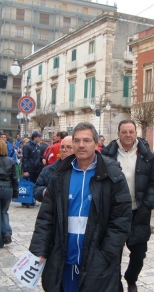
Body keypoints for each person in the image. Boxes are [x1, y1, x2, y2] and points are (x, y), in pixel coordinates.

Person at [29, 122, 132, 291]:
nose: (81, 145)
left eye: (86, 140)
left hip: (97, 261)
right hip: (64, 258)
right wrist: (39, 249)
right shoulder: (60, 175)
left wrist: (105, 253)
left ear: (96, 143)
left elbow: (122, 218)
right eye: (77, 141)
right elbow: (46, 216)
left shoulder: (112, 175)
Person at [102, 120, 154, 292]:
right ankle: (116, 284)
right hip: (115, 213)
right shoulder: (107, 155)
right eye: (124, 132)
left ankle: (131, 278)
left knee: (139, 254)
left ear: (136, 133)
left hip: (139, 212)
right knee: (114, 252)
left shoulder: (146, 155)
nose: (128, 135)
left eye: (131, 131)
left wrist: (149, 203)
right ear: (118, 134)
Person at [0, 140, 18, 248]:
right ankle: (7, 233)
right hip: (8, 188)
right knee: (4, 212)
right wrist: (15, 191)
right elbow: (14, 178)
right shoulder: (11, 161)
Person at [34, 136, 74, 202]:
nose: (64, 150)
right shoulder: (48, 170)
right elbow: (36, 190)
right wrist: (44, 191)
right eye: (62, 147)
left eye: (69, 147)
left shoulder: (81, 170)